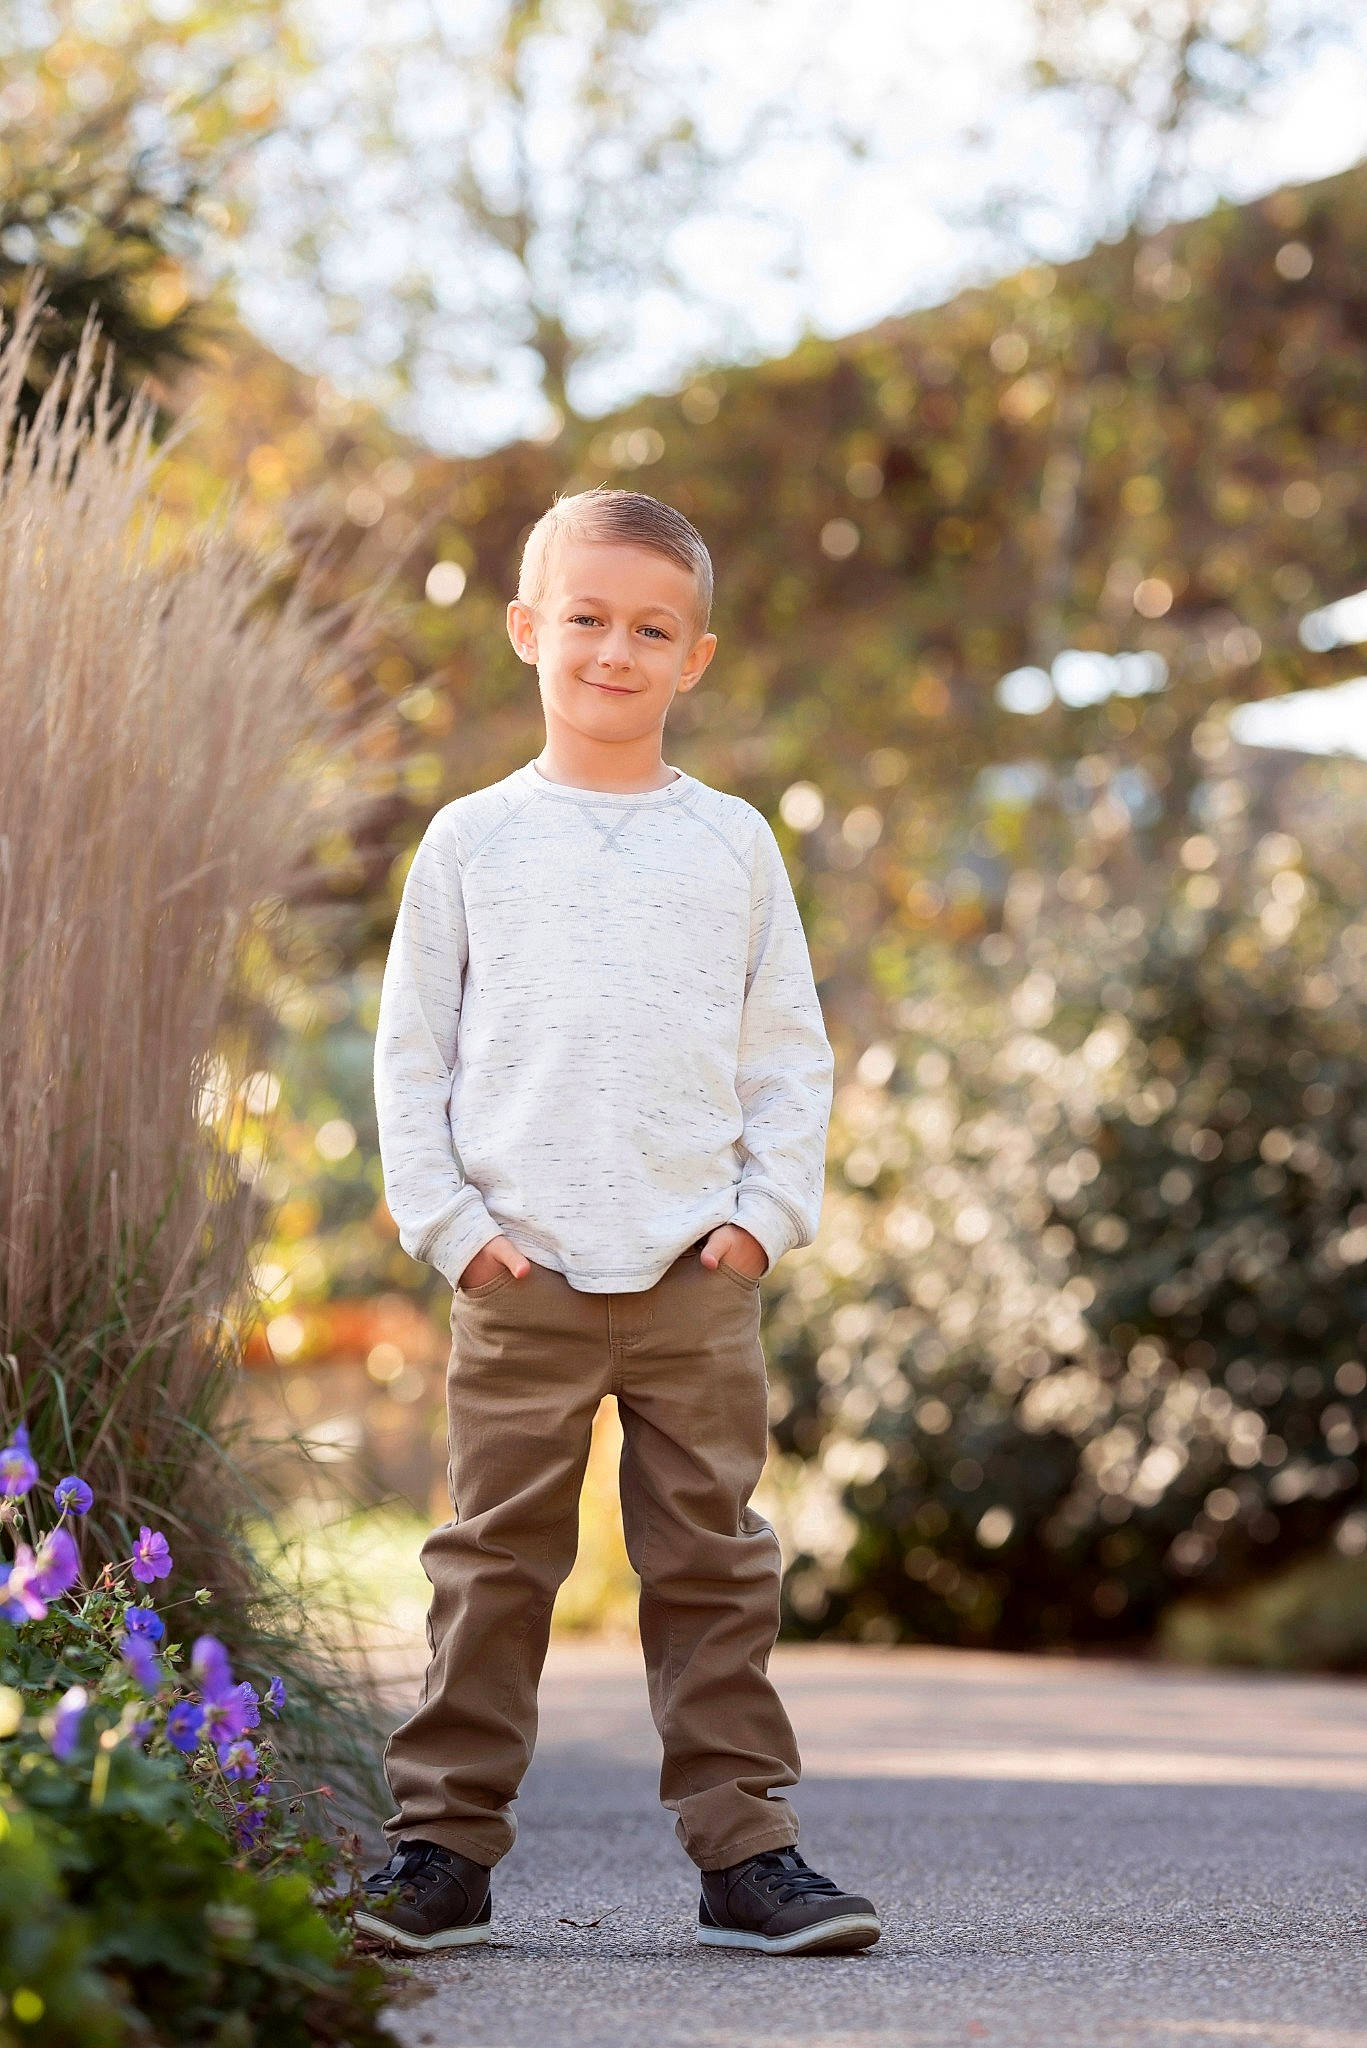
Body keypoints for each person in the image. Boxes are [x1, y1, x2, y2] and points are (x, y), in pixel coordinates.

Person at [357, 487, 880, 1958]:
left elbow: (790, 1052)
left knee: (712, 1562)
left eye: (652, 628)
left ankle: (747, 1852)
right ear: (530, 631)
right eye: (585, 618)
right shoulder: (471, 843)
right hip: (516, 1272)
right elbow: (414, 1054)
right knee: (491, 1565)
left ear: (693, 658)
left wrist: (762, 1223)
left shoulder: (732, 846)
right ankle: (442, 1853)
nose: (614, 650)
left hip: (691, 1275)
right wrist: (455, 1231)